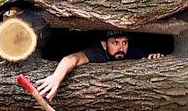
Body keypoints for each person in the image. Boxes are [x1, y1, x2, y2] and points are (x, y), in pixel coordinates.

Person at [35, 31, 163, 101]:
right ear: (104, 44)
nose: (121, 48)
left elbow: (148, 58)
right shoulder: (98, 52)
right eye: (115, 43)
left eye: (124, 43)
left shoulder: (134, 52)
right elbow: (71, 58)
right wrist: (56, 77)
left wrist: (153, 59)